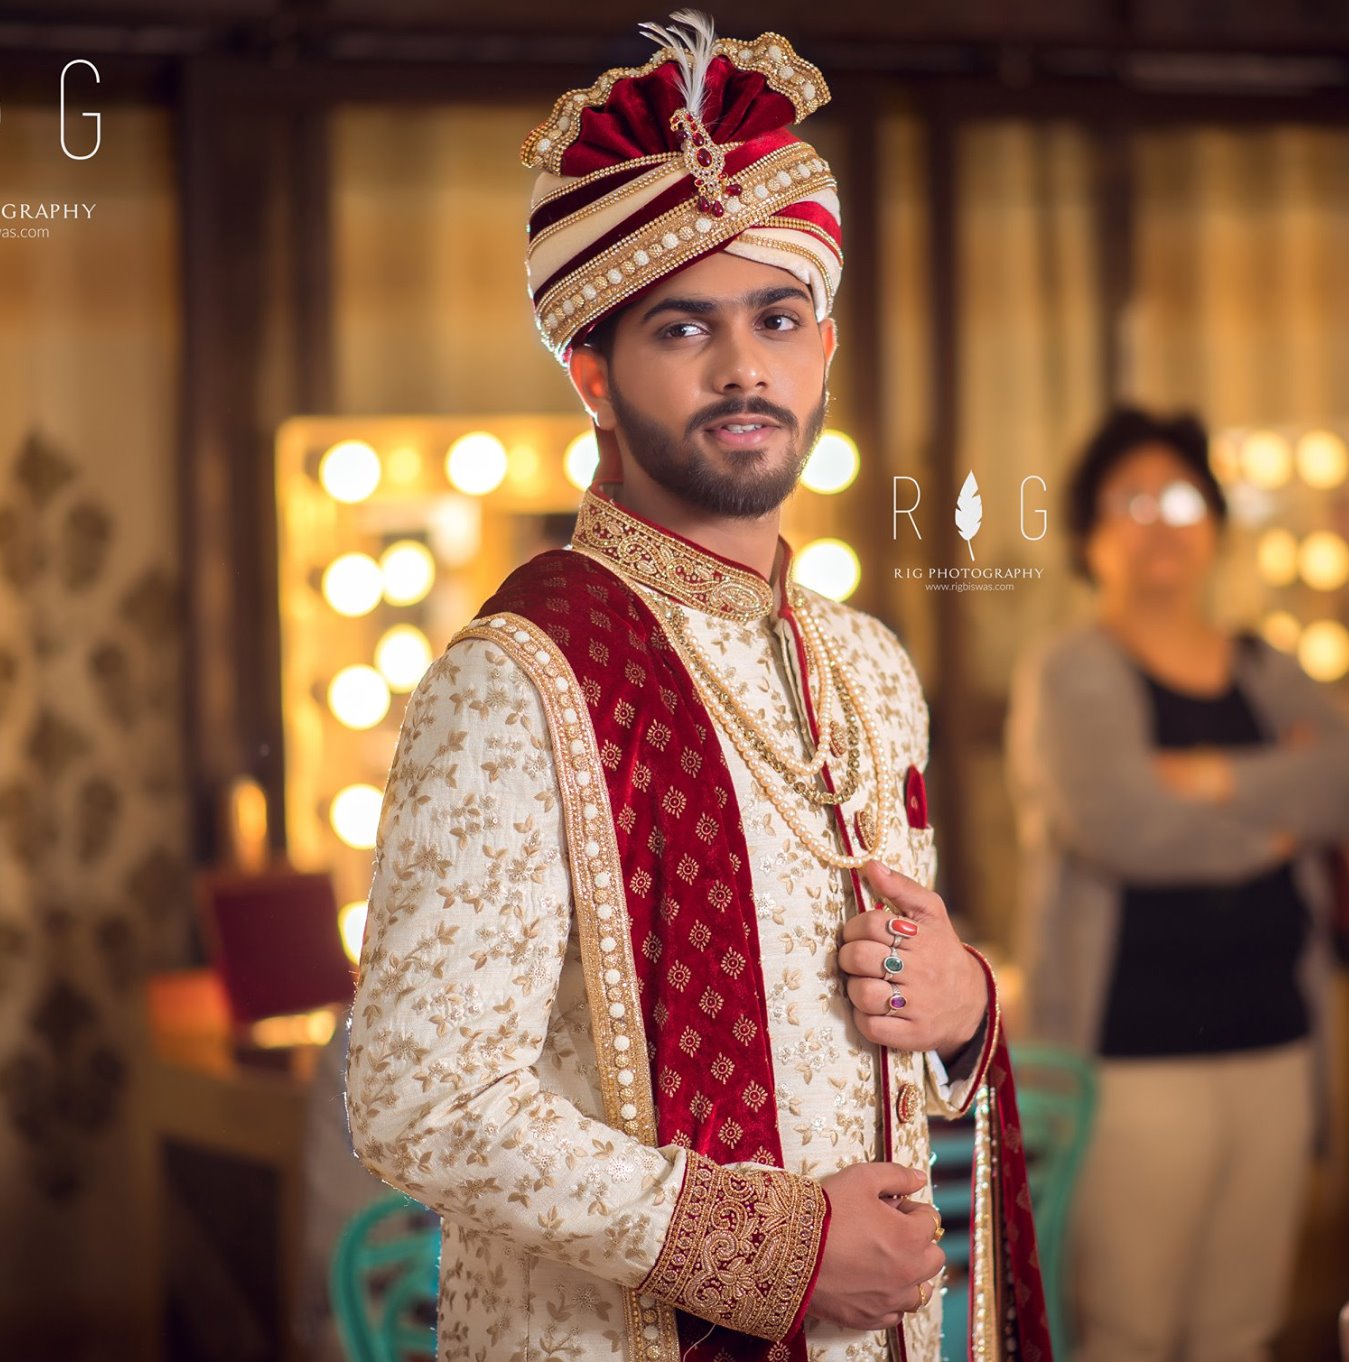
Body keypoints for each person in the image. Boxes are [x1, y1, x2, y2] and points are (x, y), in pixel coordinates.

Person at [342, 14, 1050, 1362]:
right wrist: (780, 1248)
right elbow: (419, 1098)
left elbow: (890, 1030)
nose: (744, 368)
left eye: (778, 319)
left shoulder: (868, 669)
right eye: (686, 328)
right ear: (592, 377)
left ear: (823, 351)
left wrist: (961, 1003)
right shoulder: (517, 678)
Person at [1006, 409, 1349, 1362]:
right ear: (1090, 536)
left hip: (1276, 1045)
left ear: (1215, 522)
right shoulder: (1071, 672)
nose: (1159, 521)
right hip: (1132, 1063)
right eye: (1128, 501)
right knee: (1127, 1333)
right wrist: (1276, 822)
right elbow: (1125, 826)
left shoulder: (1264, 666)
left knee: (1240, 1332)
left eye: (1179, 497)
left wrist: (1210, 778)